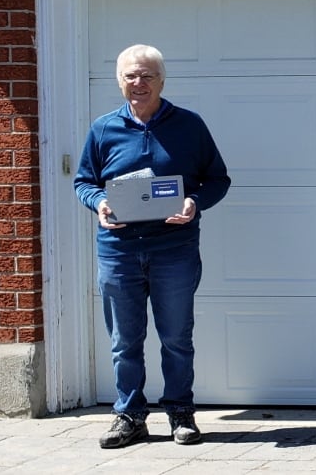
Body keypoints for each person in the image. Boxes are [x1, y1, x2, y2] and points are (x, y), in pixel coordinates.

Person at [74, 44, 231, 448]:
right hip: (119, 249)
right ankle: (129, 416)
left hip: (174, 248)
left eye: (147, 75)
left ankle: (180, 413)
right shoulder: (103, 128)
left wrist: (195, 202)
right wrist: (100, 203)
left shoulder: (189, 126)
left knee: (176, 336)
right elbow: (84, 182)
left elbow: (217, 179)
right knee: (124, 340)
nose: (138, 83)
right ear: (119, 81)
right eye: (130, 76)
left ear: (162, 80)